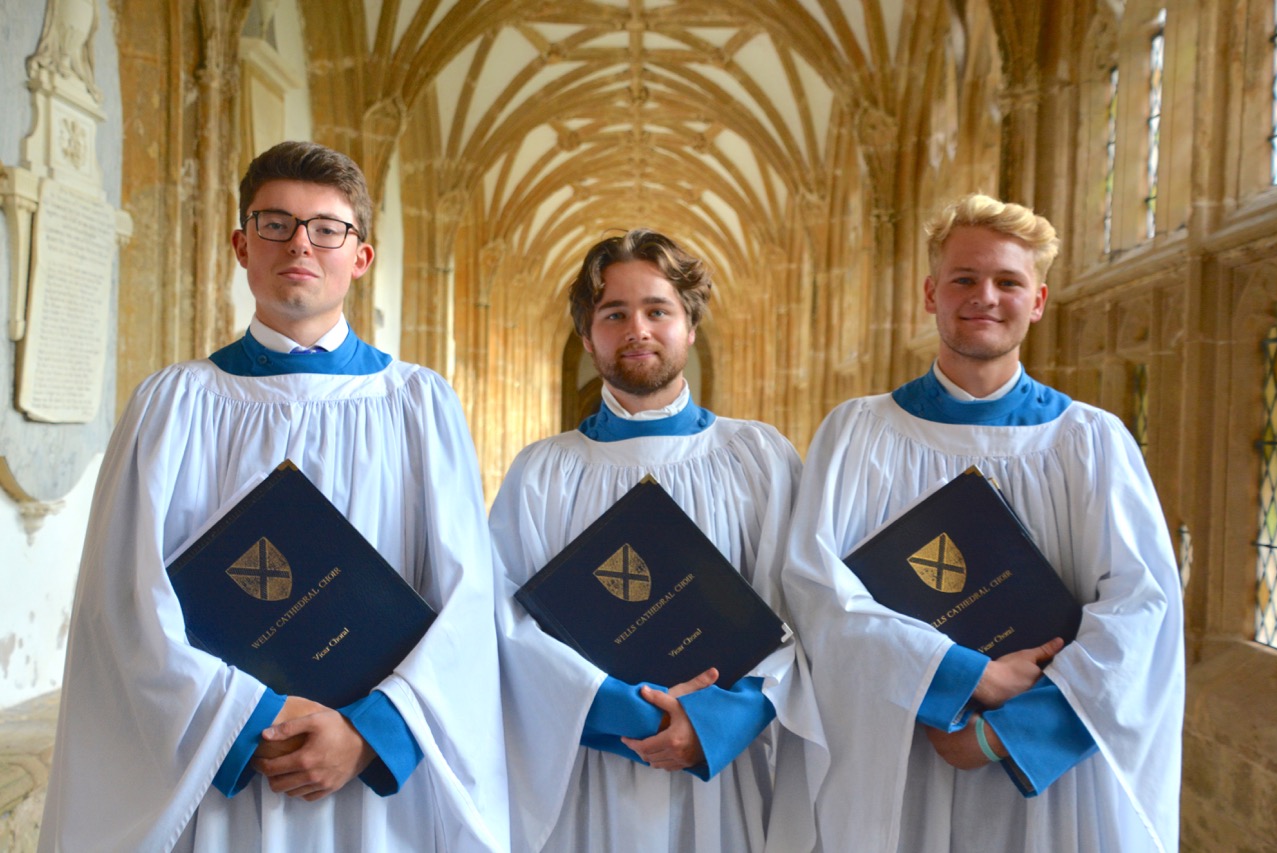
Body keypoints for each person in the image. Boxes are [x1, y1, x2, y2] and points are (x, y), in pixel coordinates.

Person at [39, 141, 508, 852]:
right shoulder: (174, 405)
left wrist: (367, 732)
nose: (300, 244)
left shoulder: (417, 405)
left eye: (327, 228)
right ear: (240, 244)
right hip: (221, 774)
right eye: (275, 223)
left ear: (361, 257)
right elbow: (124, 601)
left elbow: (468, 601)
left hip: (374, 781)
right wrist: (246, 719)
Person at [783, 193, 1184, 853]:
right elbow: (815, 590)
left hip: (1050, 768)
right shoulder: (857, 433)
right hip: (905, 746)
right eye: (964, 279)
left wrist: (1006, 731)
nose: (985, 296)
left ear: (1039, 301)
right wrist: (957, 674)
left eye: (1008, 282)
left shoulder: (1090, 440)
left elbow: (1143, 607)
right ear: (930, 293)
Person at [489, 229, 827, 853]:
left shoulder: (759, 458)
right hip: (592, 769)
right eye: (614, 314)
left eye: (657, 310)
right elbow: (505, 621)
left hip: (726, 762)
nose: (637, 329)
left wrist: (724, 717)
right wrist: (622, 712)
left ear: (690, 327)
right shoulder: (543, 471)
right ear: (588, 339)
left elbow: (803, 606)